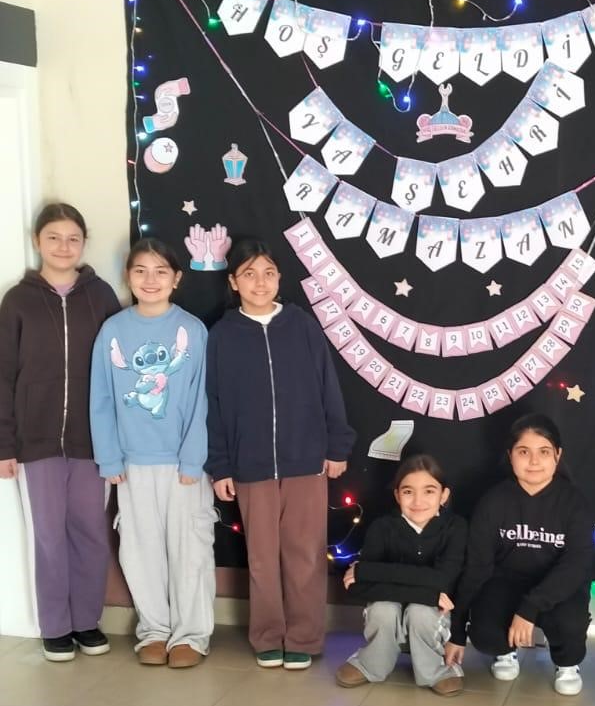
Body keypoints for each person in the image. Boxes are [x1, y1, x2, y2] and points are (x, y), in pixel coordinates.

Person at [206, 239, 354, 669]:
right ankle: (268, 636)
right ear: (233, 282)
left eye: (268, 273)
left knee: (305, 554)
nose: (260, 282)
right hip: (250, 466)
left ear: (279, 278)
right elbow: (213, 405)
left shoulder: (302, 326)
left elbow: (328, 386)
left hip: (306, 461)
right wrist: (220, 466)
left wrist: (336, 445)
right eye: (249, 274)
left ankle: (303, 637)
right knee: (261, 558)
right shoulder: (221, 336)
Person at [0, 202, 119, 662]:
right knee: (48, 535)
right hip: (37, 442)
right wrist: (5, 444)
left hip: (92, 441)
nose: (63, 247)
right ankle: (55, 626)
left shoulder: (101, 296)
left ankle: (87, 621)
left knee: (91, 532)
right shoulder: (18, 301)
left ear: (84, 243)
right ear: (37, 241)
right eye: (53, 237)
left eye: (73, 238)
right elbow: (4, 376)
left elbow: (118, 371)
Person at [90, 238, 214, 668]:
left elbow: (201, 400)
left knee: (189, 550)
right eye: (141, 270)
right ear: (128, 276)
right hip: (131, 464)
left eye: (161, 271)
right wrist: (109, 458)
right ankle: (155, 630)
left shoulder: (193, 330)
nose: (150, 279)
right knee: (139, 551)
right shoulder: (113, 331)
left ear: (176, 279)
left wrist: (193, 459)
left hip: (183, 465)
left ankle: (191, 634)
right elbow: (101, 399)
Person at [446, 414, 593, 695]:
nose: (534, 461)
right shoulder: (493, 501)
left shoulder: (574, 503)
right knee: (485, 631)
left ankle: (567, 664)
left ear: (558, 455)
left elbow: (576, 566)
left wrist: (529, 608)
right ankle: (504, 652)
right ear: (510, 456)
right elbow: (476, 568)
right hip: (507, 582)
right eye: (524, 452)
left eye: (544, 452)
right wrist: (457, 632)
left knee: (569, 622)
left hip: (557, 586)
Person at [336, 454, 467, 695]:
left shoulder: (456, 528)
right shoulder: (382, 527)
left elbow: (442, 580)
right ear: (397, 495)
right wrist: (427, 593)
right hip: (396, 612)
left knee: (420, 612)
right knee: (383, 609)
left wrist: (369, 571)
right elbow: (358, 588)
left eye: (429, 491)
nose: (418, 501)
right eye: (408, 492)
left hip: (432, 618)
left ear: (444, 495)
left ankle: (436, 670)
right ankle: (371, 664)